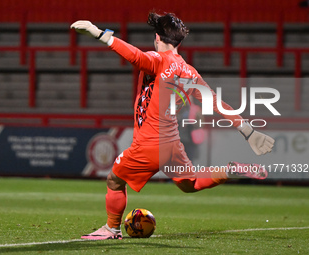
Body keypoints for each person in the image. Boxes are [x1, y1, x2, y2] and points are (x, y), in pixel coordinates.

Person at [70, 12, 275, 240]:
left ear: (157, 37)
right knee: (190, 184)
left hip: (148, 144)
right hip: (171, 144)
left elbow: (135, 56)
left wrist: (98, 33)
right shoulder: (189, 72)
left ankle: (111, 229)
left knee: (114, 180)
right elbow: (215, 103)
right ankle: (229, 170)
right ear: (179, 41)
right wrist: (248, 130)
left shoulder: (158, 60)